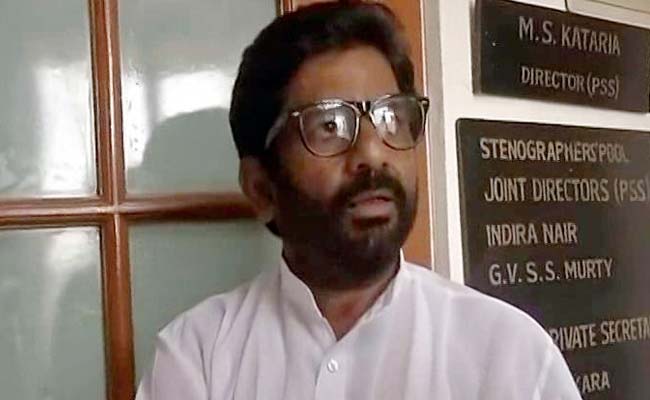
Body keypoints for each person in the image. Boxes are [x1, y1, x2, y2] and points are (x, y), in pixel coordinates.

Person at [136, 2, 582, 399]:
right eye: (329, 125)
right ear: (261, 189)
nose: (372, 153)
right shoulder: (198, 356)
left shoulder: (509, 355)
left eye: (391, 117)